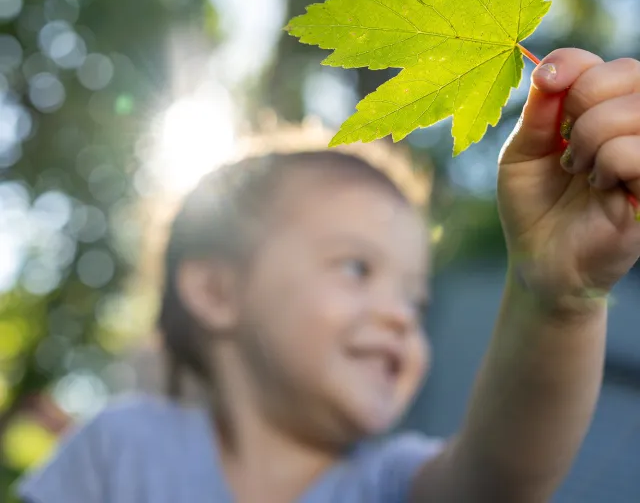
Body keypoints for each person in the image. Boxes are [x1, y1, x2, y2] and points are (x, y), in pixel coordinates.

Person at [15, 48, 640, 502]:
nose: (400, 316)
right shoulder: (121, 448)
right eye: (356, 268)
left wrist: (557, 297)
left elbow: (504, 474)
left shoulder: (389, 482)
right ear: (216, 291)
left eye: (416, 303)